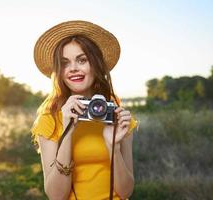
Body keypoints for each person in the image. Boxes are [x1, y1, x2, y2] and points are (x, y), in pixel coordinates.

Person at [31, 20, 137, 200]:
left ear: (95, 64)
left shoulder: (115, 112)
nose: (73, 69)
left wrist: (113, 147)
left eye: (82, 60)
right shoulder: (49, 117)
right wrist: (67, 132)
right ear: (59, 70)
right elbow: (56, 196)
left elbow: (126, 191)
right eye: (64, 63)